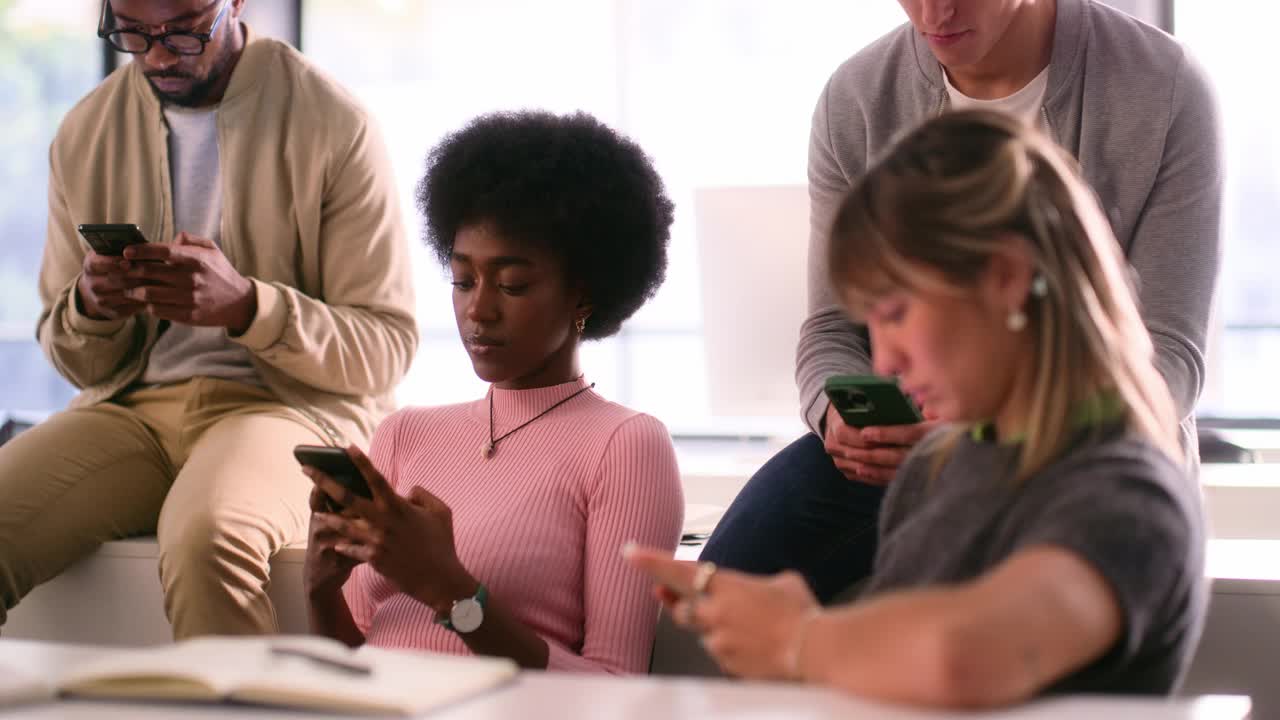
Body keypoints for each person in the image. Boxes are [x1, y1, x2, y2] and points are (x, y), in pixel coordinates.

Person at [630, 110, 1206, 706]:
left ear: (1006, 277)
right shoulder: (941, 467)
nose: (883, 363)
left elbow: (965, 659)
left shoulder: (1131, 497)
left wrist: (797, 639)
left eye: (896, 313)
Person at [701, 0, 1222, 603]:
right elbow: (829, 331)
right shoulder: (857, 96)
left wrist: (982, 430)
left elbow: (1170, 363)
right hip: (908, 444)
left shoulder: (1165, 87)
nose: (934, 12)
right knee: (720, 593)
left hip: (1082, 445)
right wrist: (838, 414)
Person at [0, 0, 418, 638]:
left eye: (186, 32)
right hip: (129, 411)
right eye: (134, 33)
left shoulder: (333, 122)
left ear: (236, 4)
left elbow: (386, 347)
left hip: (285, 410)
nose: (159, 55)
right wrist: (91, 307)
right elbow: (71, 355)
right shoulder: (87, 131)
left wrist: (251, 307)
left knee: (208, 539)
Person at [303, 110, 683, 674]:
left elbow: (615, 688)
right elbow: (355, 659)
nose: (478, 310)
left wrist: (450, 592)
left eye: (512, 284)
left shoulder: (624, 445)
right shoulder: (406, 433)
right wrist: (319, 590)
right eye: (462, 280)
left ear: (585, 293)